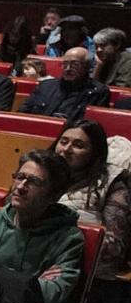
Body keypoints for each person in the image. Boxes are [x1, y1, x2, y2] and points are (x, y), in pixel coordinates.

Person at [0, 150, 84, 303]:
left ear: (54, 194)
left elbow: (50, 298)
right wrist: (28, 283)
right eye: (20, 177)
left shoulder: (69, 239)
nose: (20, 187)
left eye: (34, 182)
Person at [53, 121, 131, 293]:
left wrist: (56, 248)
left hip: (88, 278)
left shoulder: (112, 184)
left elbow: (113, 246)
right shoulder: (40, 173)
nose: (66, 149)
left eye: (78, 145)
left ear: (95, 153)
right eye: (63, 141)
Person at [22, 46, 110, 128]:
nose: (68, 68)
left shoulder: (98, 91)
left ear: (87, 67)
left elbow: (93, 126)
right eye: (65, 64)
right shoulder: (45, 86)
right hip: (39, 130)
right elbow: (23, 113)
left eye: (75, 64)